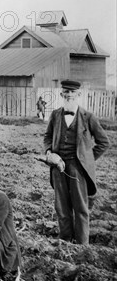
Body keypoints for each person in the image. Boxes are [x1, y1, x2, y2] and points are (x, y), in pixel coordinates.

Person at [43, 80, 109, 245]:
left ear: (79, 95)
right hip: (58, 167)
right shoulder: (55, 115)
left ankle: (81, 244)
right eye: (66, 95)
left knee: (80, 207)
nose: (69, 97)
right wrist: (49, 153)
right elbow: (47, 137)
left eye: (72, 95)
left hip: (78, 168)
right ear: (61, 95)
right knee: (61, 206)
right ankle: (65, 240)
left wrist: (87, 160)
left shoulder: (89, 117)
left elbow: (104, 142)